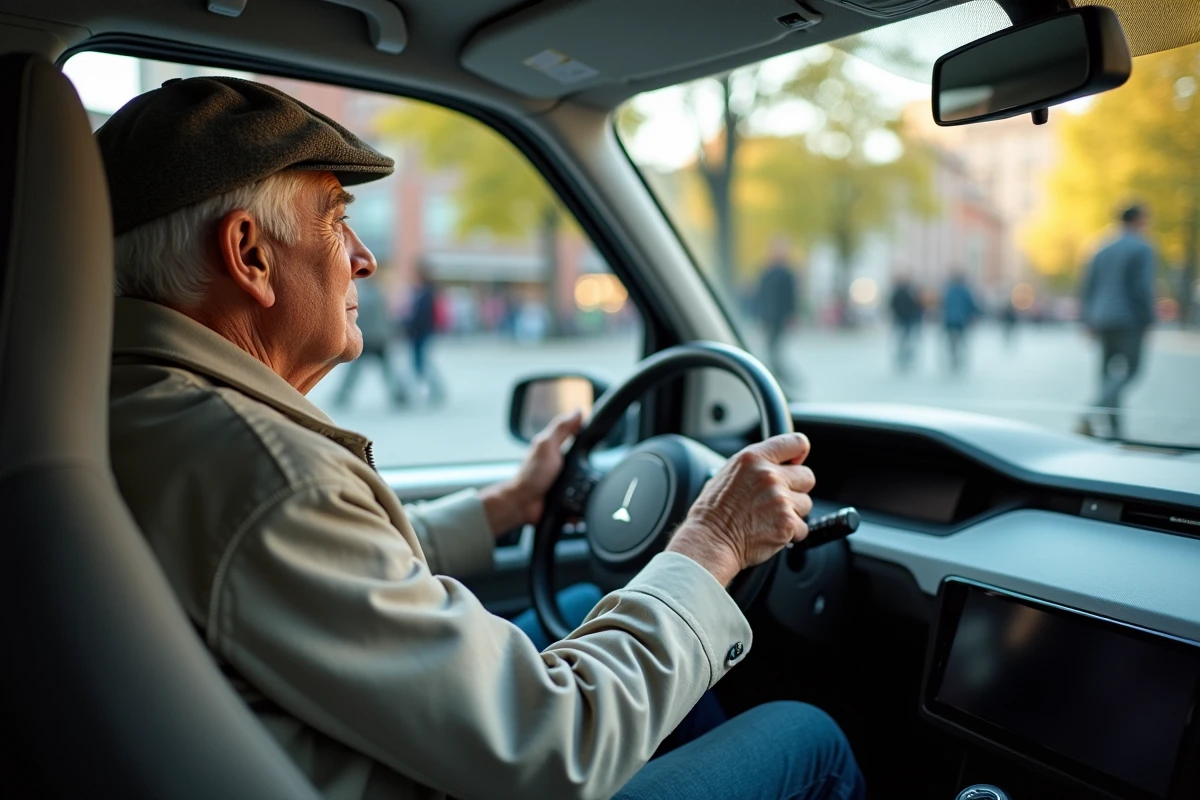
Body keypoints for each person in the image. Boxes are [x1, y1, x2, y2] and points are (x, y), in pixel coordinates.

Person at [98, 77, 864, 800]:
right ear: (250, 255)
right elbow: (556, 743)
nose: (364, 259)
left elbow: (320, 574)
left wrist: (502, 507)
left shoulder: (131, 410)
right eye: (336, 221)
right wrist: (712, 542)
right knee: (809, 736)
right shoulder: (264, 472)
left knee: (581, 598)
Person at [1078, 204, 1157, 439]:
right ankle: (1090, 412)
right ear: (1139, 219)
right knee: (1132, 371)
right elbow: (1142, 288)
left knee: (1107, 375)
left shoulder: (1100, 247)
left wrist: (1088, 319)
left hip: (1101, 318)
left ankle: (1115, 431)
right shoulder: (1142, 247)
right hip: (1129, 319)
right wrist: (1148, 320)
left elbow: (1088, 286)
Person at [333, 277, 409, 408]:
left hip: (365, 339)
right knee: (388, 369)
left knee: (354, 371)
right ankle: (399, 394)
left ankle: (342, 394)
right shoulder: (381, 297)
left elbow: (356, 320)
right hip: (379, 339)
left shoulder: (361, 298)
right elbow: (388, 318)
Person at [755, 239, 801, 391]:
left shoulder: (787, 274)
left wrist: (791, 316)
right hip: (768, 317)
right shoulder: (766, 273)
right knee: (772, 351)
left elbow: (791, 298)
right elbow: (760, 296)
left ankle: (783, 380)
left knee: (774, 351)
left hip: (779, 318)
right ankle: (783, 380)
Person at [406, 261, 446, 404]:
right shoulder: (423, 291)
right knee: (422, 363)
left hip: (421, 333)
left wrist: (411, 327)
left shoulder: (427, 292)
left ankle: (438, 391)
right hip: (420, 333)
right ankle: (436, 391)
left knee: (423, 363)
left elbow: (422, 316)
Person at [941, 268, 980, 374]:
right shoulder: (965, 291)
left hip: (950, 320)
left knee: (952, 341)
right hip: (961, 321)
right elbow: (971, 305)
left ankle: (954, 357)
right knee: (961, 340)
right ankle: (958, 358)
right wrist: (974, 316)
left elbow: (942, 305)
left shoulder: (948, 290)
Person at [888, 272, 924, 372]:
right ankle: (905, 357)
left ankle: (904, 357)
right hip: (906, 320)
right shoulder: (910, 292)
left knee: (904, 340)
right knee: (905, 340)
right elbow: (918, 307)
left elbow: (892, 305)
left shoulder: (901, 292)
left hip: (904, 320)